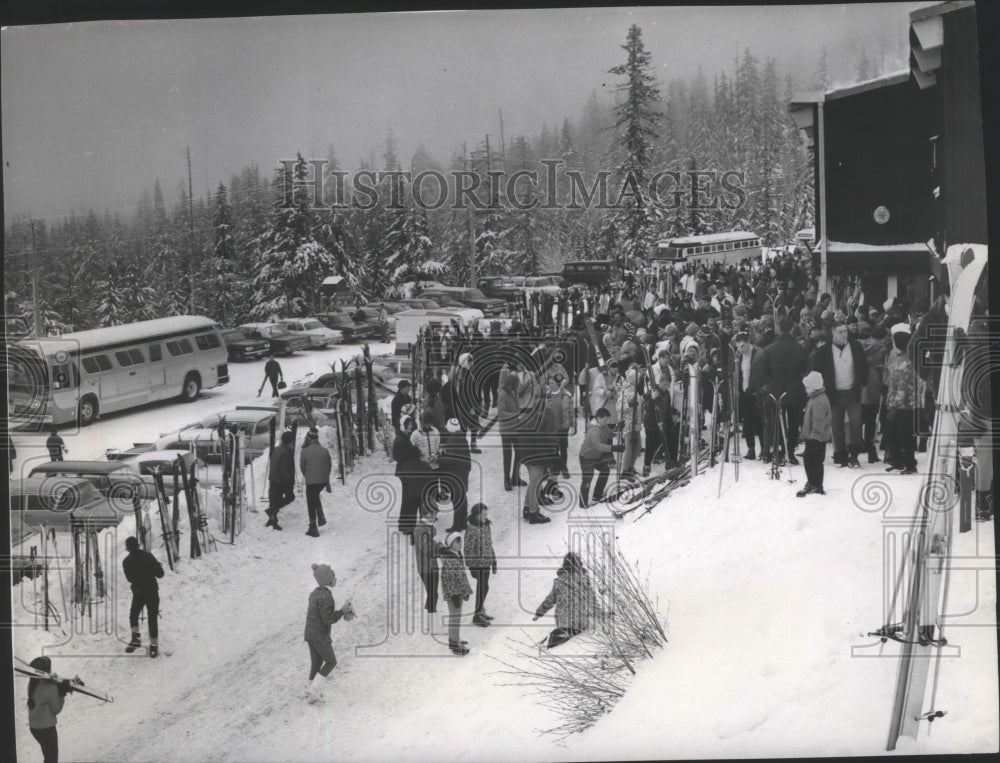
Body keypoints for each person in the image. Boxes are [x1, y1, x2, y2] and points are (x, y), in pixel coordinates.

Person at [809, 322, 869, 467]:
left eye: (845, 331)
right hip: (834, 393)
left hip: (852, 391)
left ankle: (854, 455)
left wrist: (861, 383)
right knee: (837, 425)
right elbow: (817, 372)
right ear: (833, 333)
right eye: (841, 332)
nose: (844, 334)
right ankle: (840, 455)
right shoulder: (823, 351)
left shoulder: (855, 347)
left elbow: (864, 366)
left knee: (855, 423)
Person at [757, 316, 809, 465]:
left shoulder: (769, 350)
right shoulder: (800, 348)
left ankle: (778, 452)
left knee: (776, 423)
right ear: (793, 329)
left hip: (775, 391)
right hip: (795, 390)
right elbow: (806, 369)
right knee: (793, 423)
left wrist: (767, 385)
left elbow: (763, 372)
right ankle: (790, 451)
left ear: (779, 329)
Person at [303, 563, 352, 703]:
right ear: (327, 579)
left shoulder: (315, 593)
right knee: (331, 661)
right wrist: (343, 611)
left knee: (316, 662)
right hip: (320, 635)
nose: (335, 579)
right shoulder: (326, 596)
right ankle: (314, 690)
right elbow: (328, 619)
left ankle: (310, 691)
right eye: (333, 576)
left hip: (310, 634)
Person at [532, 552, 599, 649]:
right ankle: (557, 639)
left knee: (564, 629)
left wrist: (539, 613)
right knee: (574, 630)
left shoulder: (559, 582)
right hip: (580, 622)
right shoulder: (584, 580)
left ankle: (553, 639)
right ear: (579, 564)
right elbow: (591, 599)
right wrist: (600, 614)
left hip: (562, 620)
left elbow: (550, 600)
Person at [27, 655, 77, 763]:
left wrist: (58, 687)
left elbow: (44, 693)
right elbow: (56, 709)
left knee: (48, 758)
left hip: (35, 728)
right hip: (47, 730)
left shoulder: (32, 684)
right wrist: (62, 693)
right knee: (52, 760)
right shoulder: (50, 688)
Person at [883, 323, 918, 474]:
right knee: (896, 435)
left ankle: (910, 464)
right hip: (898, 405)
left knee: (906, 437)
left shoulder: (905, 362)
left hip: (905, 407)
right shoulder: (900, 359)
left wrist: (894, 406)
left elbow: (902, 388)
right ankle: (898, 461)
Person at [122, 536, 165, 657]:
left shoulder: (126, 562)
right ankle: (153, 646)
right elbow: (160, 574)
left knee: (133, 615)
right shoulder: (148, 556)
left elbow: (130, 579)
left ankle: (135, 640)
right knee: (152, 617)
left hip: (139, 592)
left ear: (127, 548)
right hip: (152, 591)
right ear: (138, 544)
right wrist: (156, 567)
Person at [798, 371, 832, 497]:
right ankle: (812, 482)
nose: (805, 389)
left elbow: (819, 422)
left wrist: (814, 439)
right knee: (810, 460)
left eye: (807, 387)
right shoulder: (815, 398)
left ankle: (816, 485)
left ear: (814, 387)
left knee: (814, 461)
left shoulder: (819, 401)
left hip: (817, 439)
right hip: (813, 437)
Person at [439, 531, 473, 655]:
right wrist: (454, 596)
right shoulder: (450, 559)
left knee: (456, 617)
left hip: (458, 592)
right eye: (457, 542)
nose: (460, 544)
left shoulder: (456, 555)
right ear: (450, 544)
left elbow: (461, 575)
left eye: (460, 542)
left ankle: (454, 640)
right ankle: (455, 643)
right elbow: (448, 578)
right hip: (454, 594)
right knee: (455, 618)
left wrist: (465, 590)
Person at [393, 412, 426, 535]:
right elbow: (400, 457)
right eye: (408, 424)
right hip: (405, 471)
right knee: (408, 499)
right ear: (403, 425)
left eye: (411, 424)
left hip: (406, 470)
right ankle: (407, 526)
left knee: (407, 499)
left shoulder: (404, 437)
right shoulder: (401, 440)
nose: (410, 426)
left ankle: (404, 524)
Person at [464, 503, 497, 627]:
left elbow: (489, 544)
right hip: (477, 564)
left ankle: (480, 611)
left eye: (486, 514)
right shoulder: (472, 529)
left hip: (486, 562)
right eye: (482, 514)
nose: (485, 516)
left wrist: (493, 560)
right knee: (482, 586)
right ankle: (477, 615)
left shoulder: (487, 526)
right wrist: (472, 565)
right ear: (476, 515)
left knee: (485, 587)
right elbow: (467, 549)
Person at [578, 407, 618, 508]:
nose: (607, 422)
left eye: (608, 420)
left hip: (596, 455)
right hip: (586, 457)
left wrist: (618, 429)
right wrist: (614, 447)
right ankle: (583, 503)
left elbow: (608, 434)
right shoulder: (594, 430)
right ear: (599, 418)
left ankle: (597, 495)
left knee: (605, 470)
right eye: (605, 420)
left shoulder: (603, 426)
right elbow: (599, 446)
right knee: (587, 478)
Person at [439, 418, 472, 533]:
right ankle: (463, 523)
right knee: (463, 498)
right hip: (463, 472)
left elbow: (450, 460)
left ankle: (457, 525)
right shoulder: (463, 438)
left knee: (456, 499)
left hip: (455, 474)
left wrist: (439, 459)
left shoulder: (452, 440)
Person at [300, 428, 332, 537]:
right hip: (322, 481)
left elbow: (302, 467)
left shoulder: (304, 451)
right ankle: (321, 517)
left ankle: (313, 527)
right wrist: (326, 480)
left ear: (308, 439)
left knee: (311, 500)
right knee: (314, 495)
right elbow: (329, 466)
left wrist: (308, 476)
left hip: (311, 480)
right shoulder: (325, 450)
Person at [413, 502, 441, 614]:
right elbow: (426, 549)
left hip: (432, 565)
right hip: (425, 568)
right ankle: (433, 624)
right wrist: (436, 542)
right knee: (433, 594)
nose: (436, 516)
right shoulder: (420, 529)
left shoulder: (430, 527)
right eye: (434, 513)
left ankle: (431, 621)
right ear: (428, 513)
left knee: (433, 593)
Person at [266, 430, 296, 530]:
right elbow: (285, 468)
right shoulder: (287, 452)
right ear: (290, 441)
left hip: (273, 477)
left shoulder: (277, 449)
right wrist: (289, 482)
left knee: (274, 499)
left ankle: (272, 520)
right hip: (281, 480)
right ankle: (272, 511)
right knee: (290, 497)